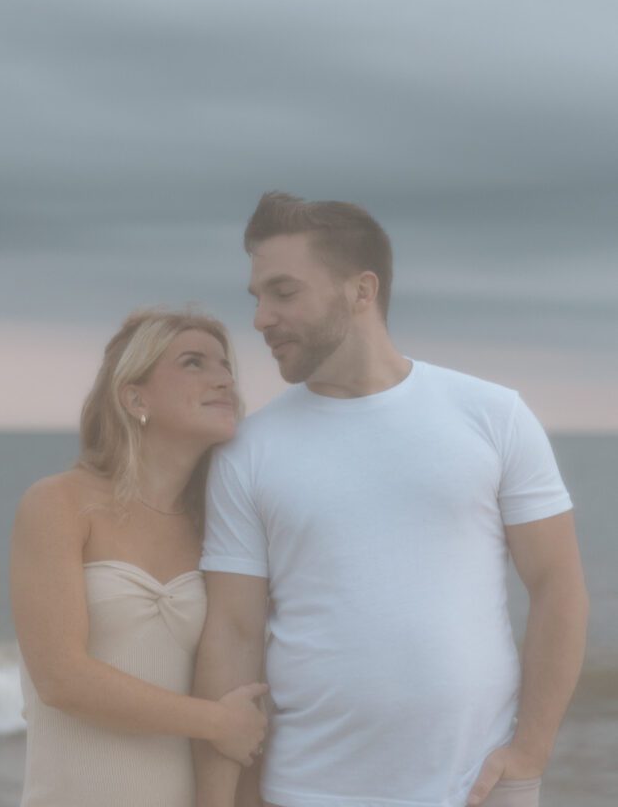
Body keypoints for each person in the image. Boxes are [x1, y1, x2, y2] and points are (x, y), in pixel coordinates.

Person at [193, 192, 589, 807]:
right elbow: (234, 631)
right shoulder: (249, 449)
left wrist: (529, 754)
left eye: (284, 292)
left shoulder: (493, 416)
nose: (261, 319)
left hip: (476, 790)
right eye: (258, 298)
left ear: (361, 290)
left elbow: (558, 586)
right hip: (304, 791)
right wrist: (234, 796)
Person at [11, 308, 268, 807]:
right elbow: (61, 679)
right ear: (134, 396)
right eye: (194, 363)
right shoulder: (59, 503)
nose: (224, 379)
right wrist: (216, 721)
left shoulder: (221, 528)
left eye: (225, 366)